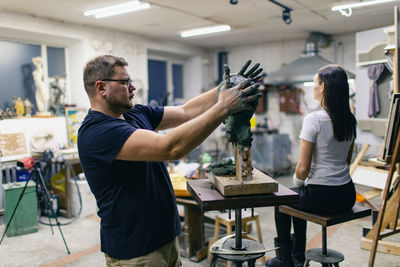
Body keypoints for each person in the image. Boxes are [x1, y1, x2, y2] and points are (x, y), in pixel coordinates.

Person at [77, 55, 261, 267]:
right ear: (101, 88)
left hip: (167, 238)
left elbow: (186, 112)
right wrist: (224, 107)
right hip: (137, 251)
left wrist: (225, 88)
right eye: (125, 82)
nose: (132, 87)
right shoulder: (97, 133)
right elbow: (169, 148)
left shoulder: (135, 114)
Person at [266, 64, 357, 267]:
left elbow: (302, 168)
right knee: (297, 198)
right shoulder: (350, 120)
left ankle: (286, 258)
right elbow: (347, 161)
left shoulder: (313, 119)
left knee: (282, 199)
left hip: (321, 196)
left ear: (323, 87)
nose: (313, 87)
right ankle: (298, 256)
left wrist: (298, 183)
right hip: (346, 195)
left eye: (315, 83)